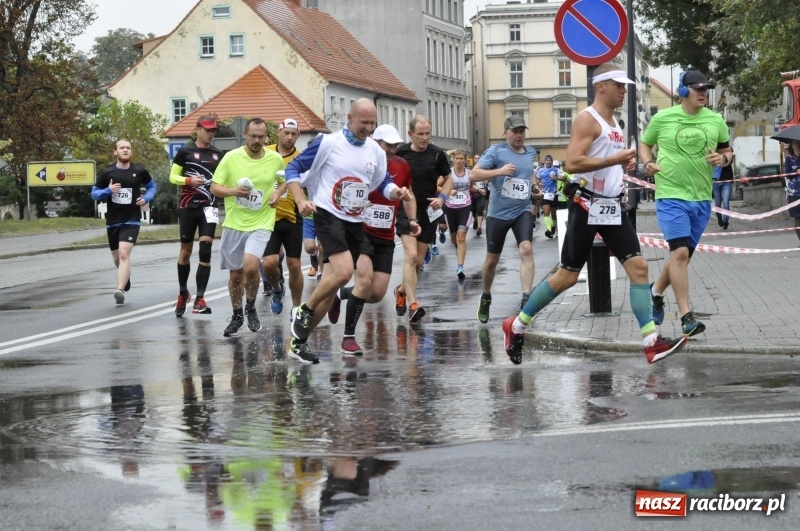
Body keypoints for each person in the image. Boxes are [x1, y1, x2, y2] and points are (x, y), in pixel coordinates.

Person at [500, 62, 688, 365]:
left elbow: (605, 160)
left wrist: (622, 164)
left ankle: (651, 342)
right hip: (586, 205)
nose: (623, 90)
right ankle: (517, 324)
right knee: (566, 278)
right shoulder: (587, 120)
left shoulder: (616, 123)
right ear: (600, 86)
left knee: (639, 268)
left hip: (612, 206)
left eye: (625, 85)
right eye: (618, 85)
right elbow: (572, 163)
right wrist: (613, 158)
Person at [285, 99, 411, 363]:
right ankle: (304, 310)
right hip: (328, 216)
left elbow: (384, 181)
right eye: (363, 122)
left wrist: (395, 192)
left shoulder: (374, 151)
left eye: (372, 123)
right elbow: (293, 168)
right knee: (343, 273)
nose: (368, 128)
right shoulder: (328, 143)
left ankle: (299, 342)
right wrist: (299, 200)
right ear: (349, 117)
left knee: (332, 288)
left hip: (355, 221)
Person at [640, 69, 733, 337]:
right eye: (698, 89)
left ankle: (656, 292)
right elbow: (645, 145)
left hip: (702, 198)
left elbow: (727, 152)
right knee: (679, 254)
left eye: (706, 89)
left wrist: (722, 159)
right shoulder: (663, 118)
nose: (703, 93)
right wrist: (647, 162)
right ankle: (686, 317)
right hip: (670, 195)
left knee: (682, 258)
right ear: (683, 91)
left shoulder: (715, 120)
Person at [326, 124, 420, 355]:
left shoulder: (401, 165)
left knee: (376, 293)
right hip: (361, 231)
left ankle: (340, 295)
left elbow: (407, 194)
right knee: (365, 280)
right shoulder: (360, 163)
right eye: (388, 145)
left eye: (395, 145)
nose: (392, 150)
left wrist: (413, 219)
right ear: (376, 142)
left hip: (385, 236)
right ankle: (349, 338)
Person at [210, 118, 286, 337]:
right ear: (245, 135)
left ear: (266, 138)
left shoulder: (275, 159)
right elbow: (215, 187)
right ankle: (237, 315)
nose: (257, 140)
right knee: (235, 276)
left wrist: (276, 194)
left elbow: (284, 182)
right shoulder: (231, 158)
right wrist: (234, 191)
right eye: (253, 136)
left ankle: (251, 307)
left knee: (251, 267)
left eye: (261, 137)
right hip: (234, 223)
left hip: (262, 221)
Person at [470, 115, 537, 323]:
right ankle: (486, 295)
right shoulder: (496, 152)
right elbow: (473, 175)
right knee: (492, 260)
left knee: (526, 248)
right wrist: (500, 171)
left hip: (522, 210)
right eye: (515, 131)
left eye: (522, 131)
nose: (519, 135)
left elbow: (528, 175)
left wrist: (534, 186)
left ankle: (526, 299)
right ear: (505, 132)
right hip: (498, 214)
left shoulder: (531, 153)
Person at [393, 115, 454, 323]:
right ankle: (413, 304)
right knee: (410, 257)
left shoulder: (437, 154)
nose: (425, 138)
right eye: (420, 134)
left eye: (428, 134)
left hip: (429, 211)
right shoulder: (400, 152)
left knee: (418, 262)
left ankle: (401, 290)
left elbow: (449, 179)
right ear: (410, 134)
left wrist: (442, 198)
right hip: (406, 209)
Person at [169, 115, 224, 316]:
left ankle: (200, 298)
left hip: (209, 206)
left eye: (213, 130)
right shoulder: (186, 151)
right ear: (198, 129)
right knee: (185, 251)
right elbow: (172, 176)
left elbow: (224, 179)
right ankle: (183, 292)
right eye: (207, 130)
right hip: (188, 206)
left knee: (206, 249)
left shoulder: (219, 155)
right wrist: (188, 180)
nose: (211, 134)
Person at [91, 138, 156, 305]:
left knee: (124, 253)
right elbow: (94, 194)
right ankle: (125, 278)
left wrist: (146, 197)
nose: (125, 150)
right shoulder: (107, 173)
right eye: (122, 148)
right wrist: (108, 190)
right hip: (113, 221)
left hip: (132, 220)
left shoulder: (139, 171)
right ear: (115, 152)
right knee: (116, 258)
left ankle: (119, 289)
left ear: (131, 151)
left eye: (128, 148)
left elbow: (152, 186)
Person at [262, 118, 304, 315]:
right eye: (286, 133)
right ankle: (277, 289)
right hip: (268, 217)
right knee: (269, 263)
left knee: (294, 265)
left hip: (292, 217)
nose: (289, 137)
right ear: (278, 133)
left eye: (293, 134)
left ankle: (296, 309)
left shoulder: (300, 158)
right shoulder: (266, 152)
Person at [442, 149, 473, 279]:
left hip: (465, 207)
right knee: (455, 239)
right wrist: (449, 191)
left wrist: (479, 190)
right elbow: (436, 186)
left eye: (462, 159)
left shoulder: (469, 173)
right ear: (453, 159)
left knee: (461, 237)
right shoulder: (448, 174)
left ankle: (460, 267)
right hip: (450, 208)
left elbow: (470, 187)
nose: (459, 161)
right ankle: (457, 247)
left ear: (466, 160)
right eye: (457, 159)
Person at [536, 155, 565, 239]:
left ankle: (552, 228)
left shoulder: (556, 170)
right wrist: (539, 183)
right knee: (546, 212)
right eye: (547, 160)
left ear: (552, 162)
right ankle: (548, 230)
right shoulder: (541, 170)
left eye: (550, 160)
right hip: (545, 194)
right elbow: (538, 179)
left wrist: (556, 178)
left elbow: (563, 178)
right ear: (544, 161)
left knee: (554, 214)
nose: (548, 161)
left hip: (554, 194)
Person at [784, 140, 800, 244]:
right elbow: (787, 174)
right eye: (796, 144)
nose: (798, 146)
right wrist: (796, 172)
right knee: (798, 217)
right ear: (792, 146)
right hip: (794, 193)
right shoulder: (789, 158)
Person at [713, 159, 734, 229]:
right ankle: (719, 218)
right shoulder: (712, 157)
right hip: (715, 182)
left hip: (726, 181)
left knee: (725, 201)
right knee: (717, 203)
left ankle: (725, 220)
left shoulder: (725, 156)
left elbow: (730, 159)